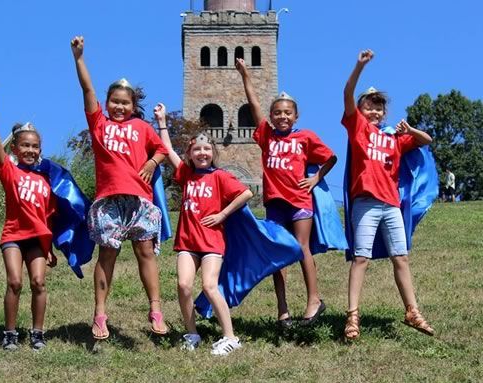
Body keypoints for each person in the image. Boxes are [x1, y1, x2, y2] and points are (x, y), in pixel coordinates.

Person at [70, 36, 169, 339]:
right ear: (107, 102)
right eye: (114, 101)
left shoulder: (142, 128)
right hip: (109, 201)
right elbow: (88, 89)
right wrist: (79, 58)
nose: (119, 107)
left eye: (125, 103)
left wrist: (152, 163)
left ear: (134, 105)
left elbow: (162, 150)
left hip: (139, 200)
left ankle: (155, 309)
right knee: (108, 255)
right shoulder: (99, 124)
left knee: (145, 253)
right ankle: (100, 314)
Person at [235, 58, 337, 328]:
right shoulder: (266, 135)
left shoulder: (305, 137)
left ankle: (314, 300)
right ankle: (283, 309)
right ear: (271, 116)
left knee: (302, 248)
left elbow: (331, 157)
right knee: (278, 253)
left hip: (300, 201)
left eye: (287, 113)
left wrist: (316, 178)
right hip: (275, 203)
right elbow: (254, 103)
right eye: (277, 112)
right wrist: (245, 74)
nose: (282, 116)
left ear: (296, 116)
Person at [342, 49, 434, 340]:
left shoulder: (393, 138)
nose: (375, 111)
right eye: (369, 106)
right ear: (360, 110)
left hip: (391, 204)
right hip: (366, 203)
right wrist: (359, 67)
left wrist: (410, 129)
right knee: (361, 259)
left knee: (401, 258)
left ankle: (412, 311)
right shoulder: (357, 129)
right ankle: (352, 317)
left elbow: (426, 140)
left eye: (379, 108)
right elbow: (347, 93)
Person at [155, 103, 252, 355]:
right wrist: (162, 121)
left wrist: (222, 214)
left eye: (206, 149)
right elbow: (166, 151)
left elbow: (246, 193)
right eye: (197, 149)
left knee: (209, 286)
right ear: (190, 153)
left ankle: (230, 337)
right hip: (188, 242)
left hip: (211, 243)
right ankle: (192, 334)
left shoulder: (219, 176)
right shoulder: (186, 174)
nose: (202, 153)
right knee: (184, 286)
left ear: (213, 153)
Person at [0, 87, 57, 351]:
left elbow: (49, 216)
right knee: (15, 281)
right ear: (14, 147)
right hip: (13, 235)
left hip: (37, 239)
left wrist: (50, 247)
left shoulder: (45, 179)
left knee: (39, 282)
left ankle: (37, 333)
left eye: (35, 146)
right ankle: (10, 333)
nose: (30, 150)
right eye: (25, 145)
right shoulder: (9, 172)